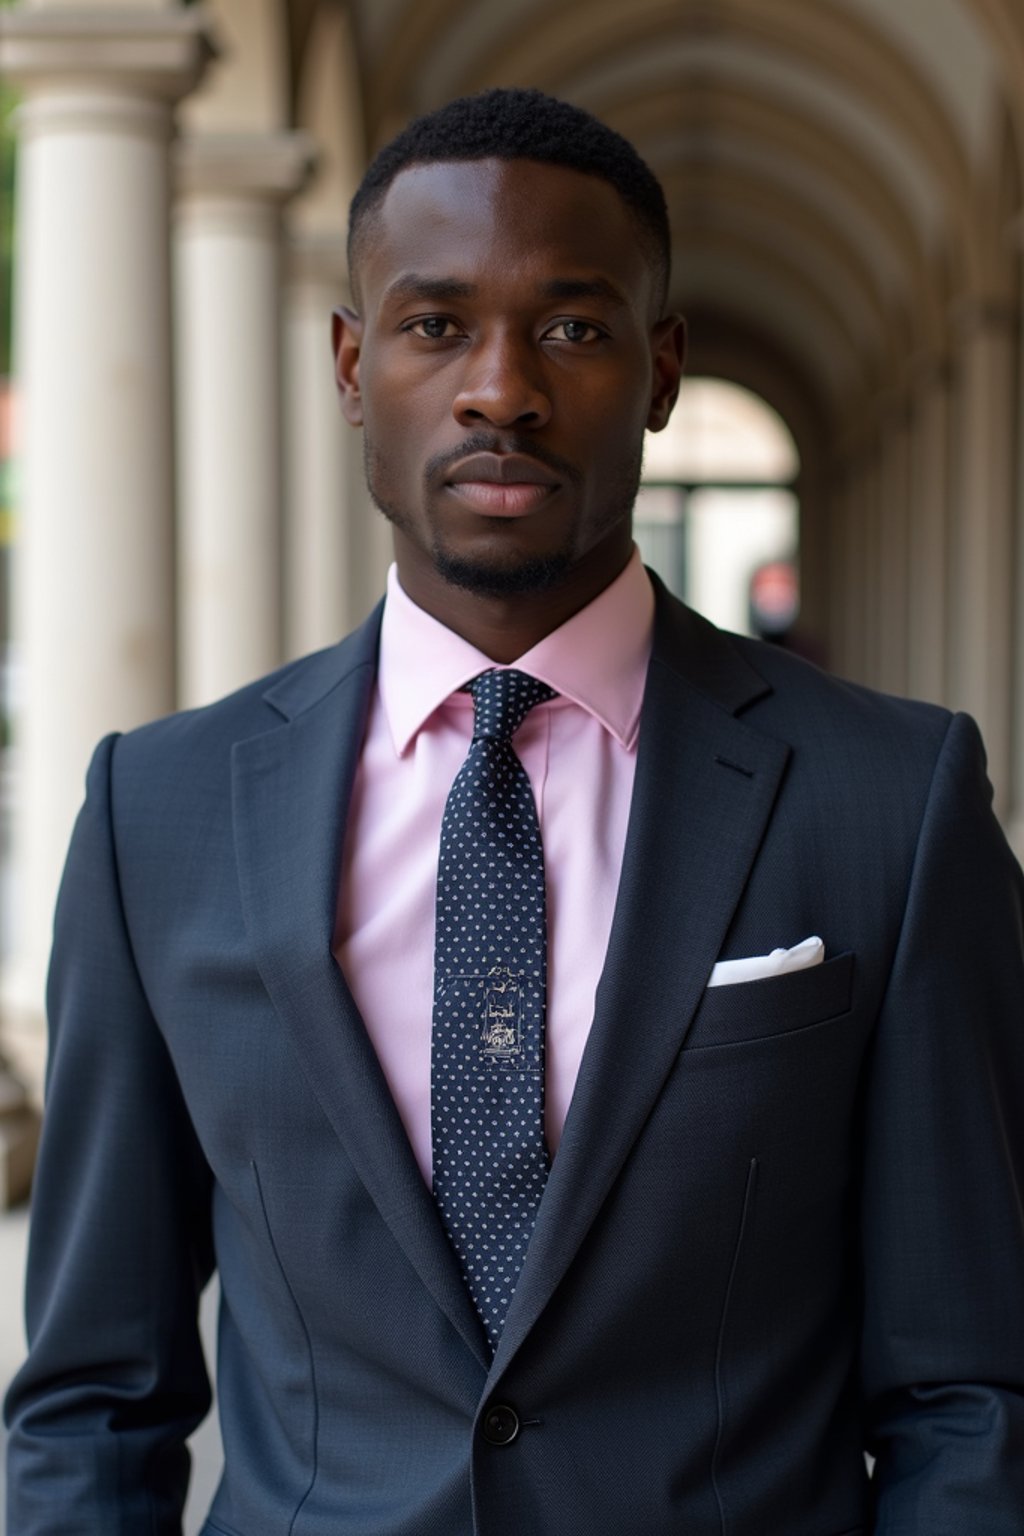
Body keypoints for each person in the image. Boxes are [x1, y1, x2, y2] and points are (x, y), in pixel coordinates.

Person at [6, 87, 1024, 1535]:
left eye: (572, 326)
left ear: (661, 369)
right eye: (434, 327)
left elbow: (970, 1391)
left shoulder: (892, 802)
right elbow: (96, 1400)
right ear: (353, 368)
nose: (502, 389)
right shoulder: (156, 814)